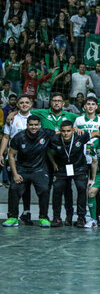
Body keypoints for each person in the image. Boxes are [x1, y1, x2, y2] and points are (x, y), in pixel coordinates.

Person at [3, 115, 55, 228]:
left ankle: (43, 217)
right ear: (27, 125)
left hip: (40, 169)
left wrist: (76, 129)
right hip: (22, 169)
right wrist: (15, 174)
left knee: (45, 190)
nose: (33, 127)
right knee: (14, 189)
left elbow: (62, 133)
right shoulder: (18, 137)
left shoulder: (46, 133)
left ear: (39, 125)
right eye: (31, 125)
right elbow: (11, 155)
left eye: (36, 125)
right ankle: (12, 217)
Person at [47, 120, 92, 228]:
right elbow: (48, 150)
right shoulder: (54, 139)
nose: (66, 133)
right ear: (60, 131)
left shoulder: (81, 136)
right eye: (63, 131)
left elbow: (95, 134)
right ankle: (57, 217)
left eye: (68, 131)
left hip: (79, 167)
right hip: (62, 168)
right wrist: (53, 163)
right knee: (58, 189)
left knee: (81, 188)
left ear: (73, 130)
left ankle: (81, 217)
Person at [0, 95, 33, 224]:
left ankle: (26, 213)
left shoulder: (36, 118)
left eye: (27, 102)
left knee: (27, 187)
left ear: (31, 103)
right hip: (14, 158)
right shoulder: (12, 119)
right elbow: (6, 137)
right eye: (21, 103)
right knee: (14, 187)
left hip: (30, 159)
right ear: (17, 105)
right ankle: (12, 214)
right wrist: (1, 153)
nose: (24, 104)